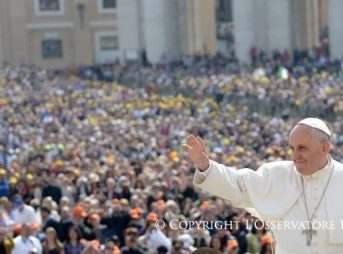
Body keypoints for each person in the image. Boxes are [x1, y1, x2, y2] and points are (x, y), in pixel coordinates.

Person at [183, 117, 343, 253]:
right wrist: (207, 167)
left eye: (302, 148)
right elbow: (239, 185)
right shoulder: (277, 175)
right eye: (292, 148)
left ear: (324, 148)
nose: (295, 156)